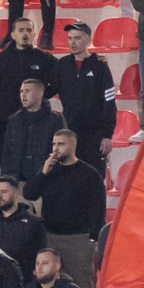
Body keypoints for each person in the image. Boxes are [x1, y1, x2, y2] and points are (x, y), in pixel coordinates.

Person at [25, 129, 104, 288]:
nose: (56, 148)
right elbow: (29, 194)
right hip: (50, 237)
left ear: (73, 145)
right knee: (49, 287)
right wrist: (43, 172)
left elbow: (98, 207)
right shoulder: (49, 171)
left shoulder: (89, 173)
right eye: (54, 144)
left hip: (78, 239)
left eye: (61, 144)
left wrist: (92, 238)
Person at [50, 23, 113, 175]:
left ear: (88, 40)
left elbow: (109, 103)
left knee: (94, 177)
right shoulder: (62, 64)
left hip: (95, 135)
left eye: (77, 38)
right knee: (69, 177)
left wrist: (107, 135)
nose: (72, 43)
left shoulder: (100, 66)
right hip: (70, 132)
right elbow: (48, 91)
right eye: (70, 38)